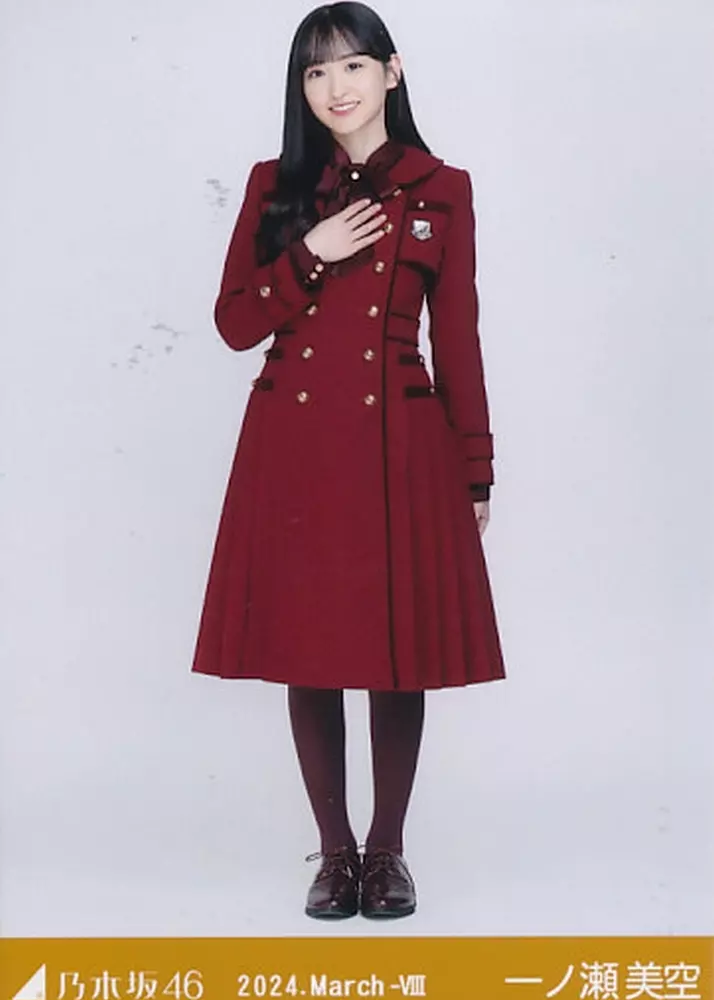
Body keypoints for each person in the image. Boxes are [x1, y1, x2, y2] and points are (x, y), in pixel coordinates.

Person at [192, 0, 506, 920]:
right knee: (310, 646)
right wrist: (311, 253)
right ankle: (334, 853)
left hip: (402, 445)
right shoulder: (276, 185)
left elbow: (459, 339)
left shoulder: (442, 188)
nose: (336, 87)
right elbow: (234, 323)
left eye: (353, 66)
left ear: (391, 72)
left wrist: (476, 468)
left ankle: (388, 851)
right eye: (316, 71)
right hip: (292, 446)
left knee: (397, 653)